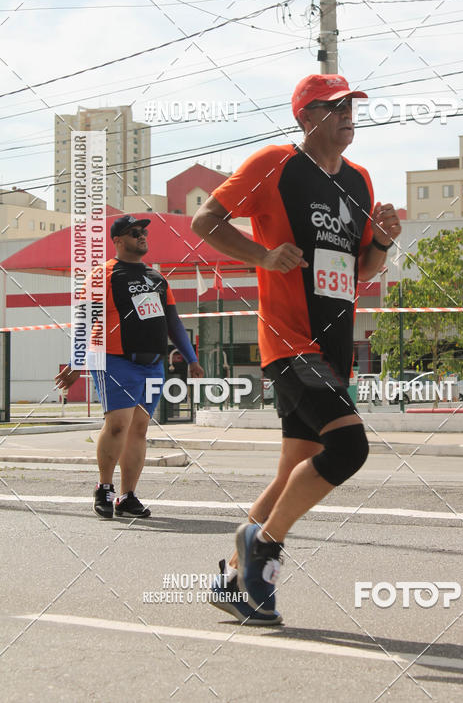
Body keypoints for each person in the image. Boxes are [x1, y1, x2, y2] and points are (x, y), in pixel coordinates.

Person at [192, 73, 401, 625]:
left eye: (353, 106)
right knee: (349, 448)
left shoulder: (360, 181)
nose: (349, 116)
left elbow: (362, 270)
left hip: (333, 345)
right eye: (337, 108)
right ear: (306, 117)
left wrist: (381, 239)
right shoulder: (273, 164)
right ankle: (264, 547)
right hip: (288, 341)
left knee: (295, 468)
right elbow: (204, 221)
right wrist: (261, 257)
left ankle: (234, 579)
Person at [55, 215, 203, 519]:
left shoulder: (158, 278)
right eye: (135, 233)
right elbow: (84, 322)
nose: (142, 236)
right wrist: (75, 363)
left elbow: (173, 321)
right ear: (118, 240)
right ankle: (104, 489)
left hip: (152, 364)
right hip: (113, 359)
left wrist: (192, 358)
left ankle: (127, 496)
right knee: (119, 424)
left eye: (144, 232)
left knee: (139, 428)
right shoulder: (101, 276)